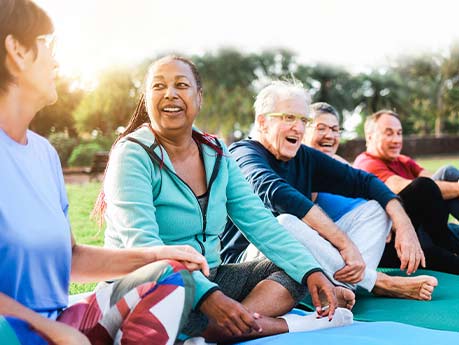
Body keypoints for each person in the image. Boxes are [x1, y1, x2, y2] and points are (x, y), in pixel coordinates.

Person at [97, 55, 356, 343]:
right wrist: (209, 297)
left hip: (211, 276)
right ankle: (282, 326)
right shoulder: (131, 155)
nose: (170, 93)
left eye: (181, 85)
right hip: (148, 284)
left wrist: (312, 271)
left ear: (199, 97)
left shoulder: (215, 151)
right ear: (146, 99)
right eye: (158, 86)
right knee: (176, 296)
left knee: (292, 272)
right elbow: (143, 245)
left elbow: (259, 221)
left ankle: (220, 329)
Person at [0, 1, 210, 344]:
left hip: (60, 324)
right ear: (17, 51)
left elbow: (72, 258)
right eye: (47, 45)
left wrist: (156, 255)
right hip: (10, 330)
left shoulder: (43, 155)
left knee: (169, 274)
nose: (55, 60)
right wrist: (48, 330)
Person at [222, 82, 437, 302]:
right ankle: (377, 282)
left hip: (303, 261)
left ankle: (345, 287)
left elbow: (366, 181)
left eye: (303, 120)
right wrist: (346, 245)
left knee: (375, 209)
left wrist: (403, 224)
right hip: (248, 264)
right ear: (263, 122)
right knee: (285, 222)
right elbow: (277, 194)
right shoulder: (242, 154)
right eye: (288, 118)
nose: (298, 127)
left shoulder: (303, 156)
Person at [354, 110, 459, 273]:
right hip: (394, 238)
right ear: (369, 136)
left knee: (448, 173)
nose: (396, 140)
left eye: (399, 133)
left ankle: (447, 242)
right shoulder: (366, 163)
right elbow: (404, 188)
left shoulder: (402, 160)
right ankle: (446, 248)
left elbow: (437, 182)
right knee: (423, 186)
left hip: (428, 228)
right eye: (389, 134)